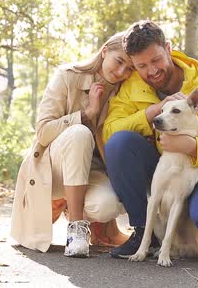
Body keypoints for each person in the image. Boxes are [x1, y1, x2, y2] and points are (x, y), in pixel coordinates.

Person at [102, 20, 198, 259]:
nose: (151, 70)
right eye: (142, 65)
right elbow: (109, 131)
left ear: (168, 48)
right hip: (161, 163)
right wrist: (152, 111)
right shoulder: (132, 86)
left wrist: (192, 146)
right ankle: (143, 232)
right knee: (119, 143)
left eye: (156, 60)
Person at [10, 32, 135, 258]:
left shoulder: (124, 91)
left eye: (129, 69)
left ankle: (82, 212)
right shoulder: (68, 76)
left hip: (91, 170)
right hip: (53, 167)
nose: (121, 72)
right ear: (105, 51)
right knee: (79, 133)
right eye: (119, 62)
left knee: (107, 205)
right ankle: (76, 228)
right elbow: (43, 131)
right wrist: (87, 114)